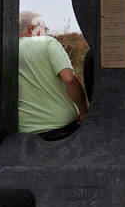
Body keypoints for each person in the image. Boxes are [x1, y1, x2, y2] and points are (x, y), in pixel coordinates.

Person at [16, 10, 89, 141]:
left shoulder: (7, 50)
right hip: (61, 129)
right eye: (45, 29)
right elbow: (69, 79)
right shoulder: (47, 42)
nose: (46, 32)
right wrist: (83, 111)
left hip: (23, 132)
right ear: (32, 28)